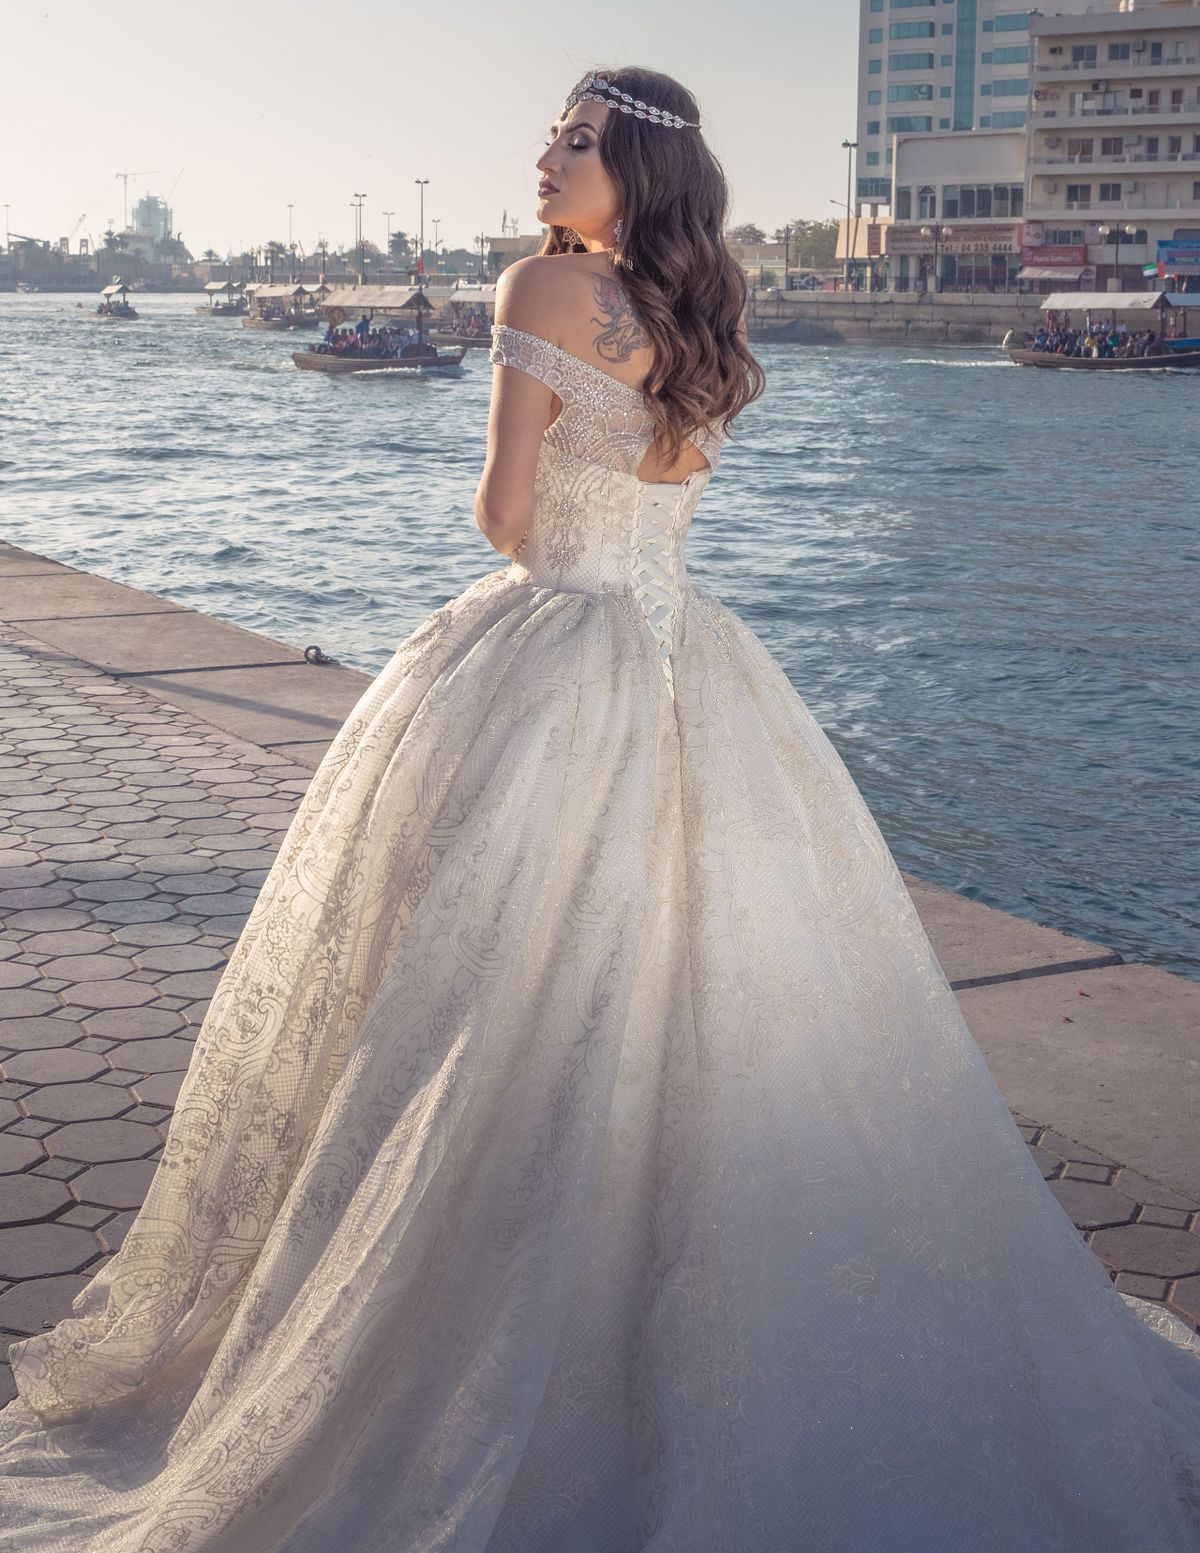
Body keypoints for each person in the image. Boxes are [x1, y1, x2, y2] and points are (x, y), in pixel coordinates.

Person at [2, 64, 1199, 1553]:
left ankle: (487, 1324)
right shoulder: (708, 313)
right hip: (689, 658)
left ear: (630, 168)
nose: (548, 157)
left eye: (575, 141)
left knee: (484, 1001)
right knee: (701, 1000)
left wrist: (528, 504)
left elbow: (507, 516)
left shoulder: (541, 288)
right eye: (550, 139)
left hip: (553, 655)